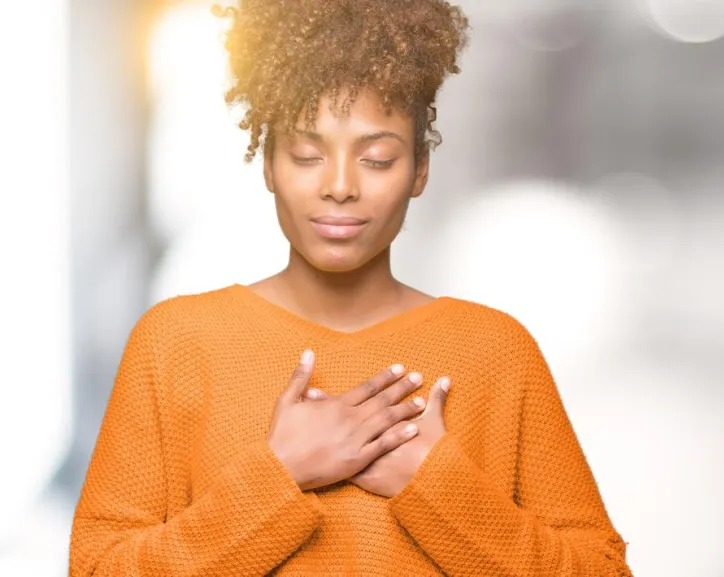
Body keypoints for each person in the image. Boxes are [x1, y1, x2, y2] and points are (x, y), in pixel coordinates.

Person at [68, 0, 630, 575]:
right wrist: (278, 476)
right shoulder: (176, 344)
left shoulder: (495, 351)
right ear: (267, 166)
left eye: (378, 158)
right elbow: (96, 568)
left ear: (419, 170)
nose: (340, 186)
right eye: (307, 155)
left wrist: (435, 484)